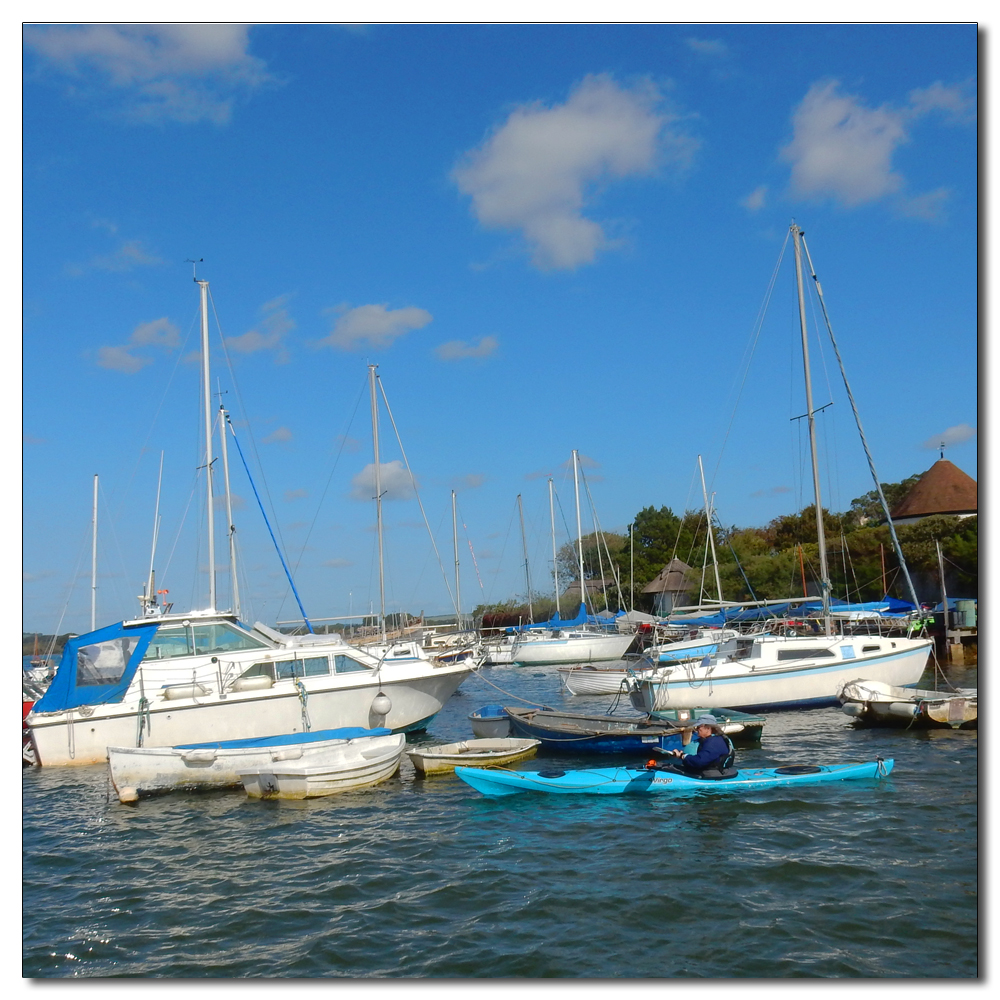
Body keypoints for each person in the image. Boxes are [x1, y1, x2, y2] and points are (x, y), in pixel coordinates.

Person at [653, 715, 736, 778]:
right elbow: (702, 759)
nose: (696, 729)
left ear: (708, 728)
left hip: (712, 774)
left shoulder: (714, 742)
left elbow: (699, 761)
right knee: (665, 766)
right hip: (711, 771)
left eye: (699, 727)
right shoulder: (715, 739)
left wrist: (683, 756)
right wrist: (682, 756)